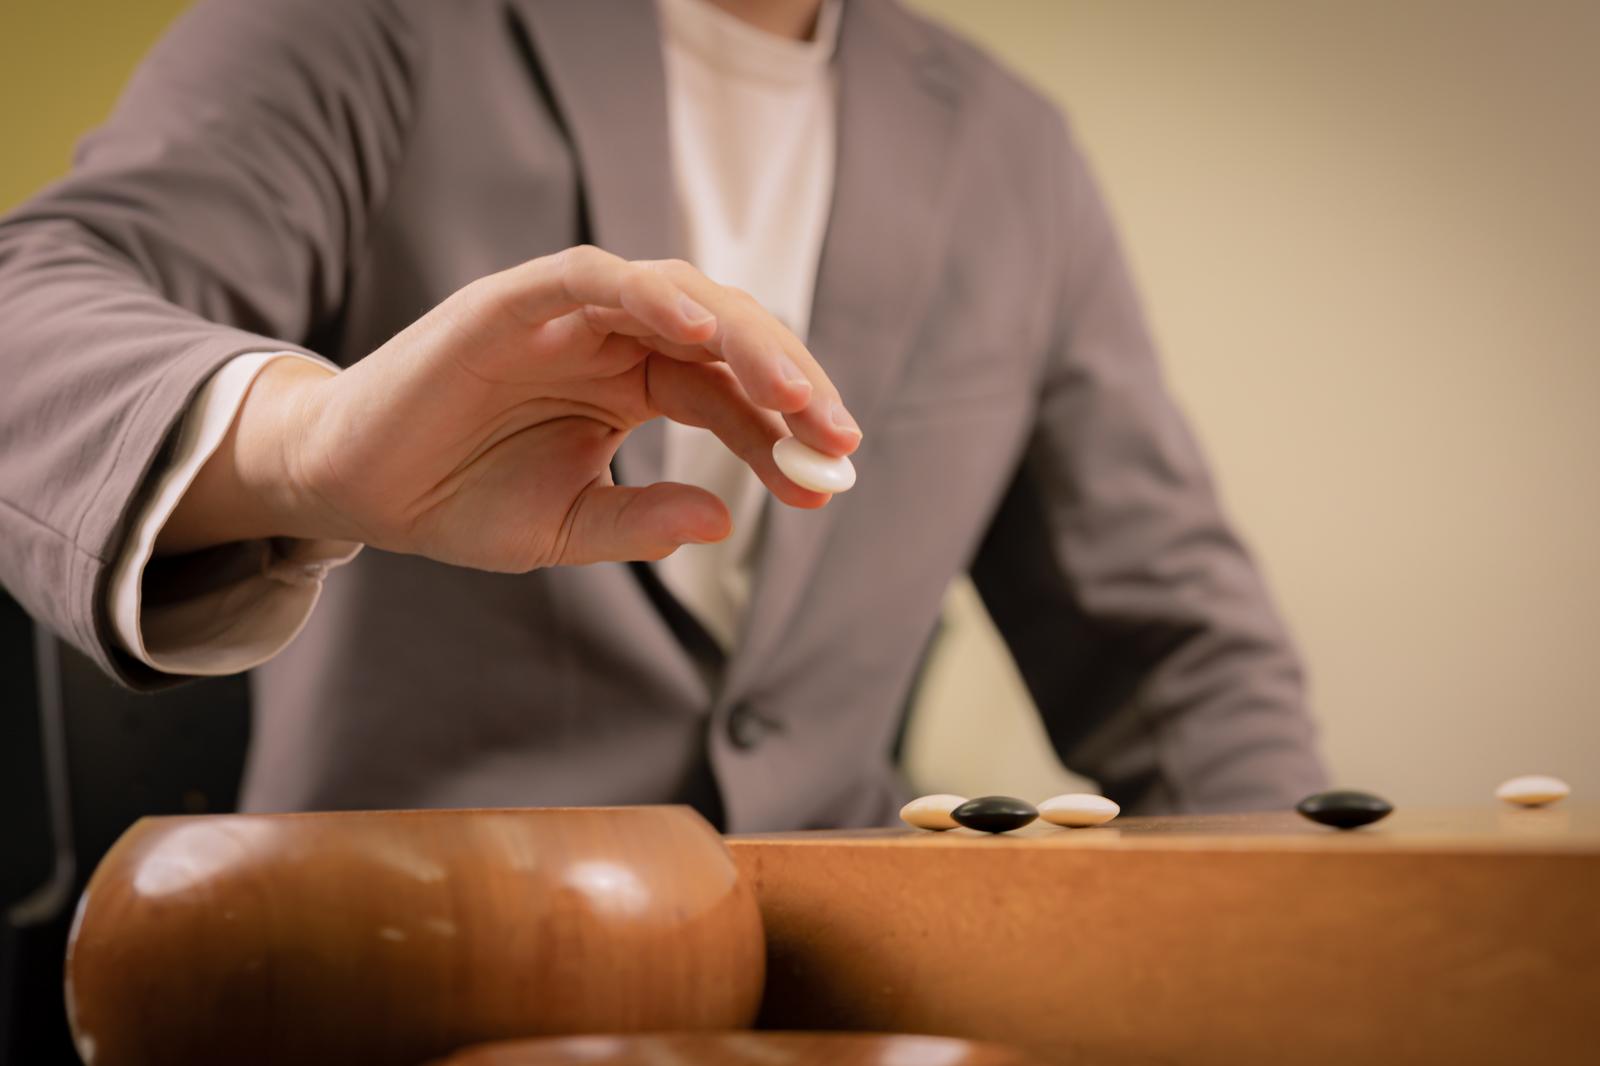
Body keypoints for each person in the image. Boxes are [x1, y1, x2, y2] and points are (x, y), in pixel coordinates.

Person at [0, 0, 1326, 829]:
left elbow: (1175, 651)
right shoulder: (363, 25)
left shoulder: (1016, 152)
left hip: (845, 996)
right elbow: (30, 315)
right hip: (401, 971)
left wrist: (1296, 958)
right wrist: (306, 444)